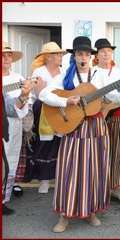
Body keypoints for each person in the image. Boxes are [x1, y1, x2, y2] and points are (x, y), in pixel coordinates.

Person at [38, 36, 120, 232]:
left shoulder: (100, 75)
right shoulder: (66, 75)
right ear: (75, 56)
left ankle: (91, 212)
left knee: (94, 170)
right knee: (69, 170)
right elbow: (44, 94)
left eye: (87, 54)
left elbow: (117, 98)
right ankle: (65, 216)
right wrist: (66, 101)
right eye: (80, 53)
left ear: (91, 56)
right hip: (74, 129)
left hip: (96, 127)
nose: (83, 57)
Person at [23, 42, 66, 194]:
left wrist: (46, 91)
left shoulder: (64, 72)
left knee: (58, 143)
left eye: (61, 54)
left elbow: (62, 92)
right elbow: (39, 93)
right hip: (42, 111)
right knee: (44, 144)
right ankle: (44, 180)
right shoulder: (38, 72)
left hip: (60, 109)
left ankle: (56, 177)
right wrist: (46, 92)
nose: (61, 57)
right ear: (48, 57)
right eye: (57, 54)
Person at [93, 38, 120, 202]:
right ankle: (99, 188)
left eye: (109, 50)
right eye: (102, 51)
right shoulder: (92, 72)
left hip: (116, 117)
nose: (106, 53)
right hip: (97, 117)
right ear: (97, 55)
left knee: (119, 152)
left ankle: (117, 188)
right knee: (98, 153)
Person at [2, 42, 32, 215]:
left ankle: (4, 199)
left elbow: (24, 101)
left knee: (11, 159)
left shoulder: (18, 78)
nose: (7, 58)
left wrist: (25, 94)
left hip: (14, 123)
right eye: (3, 55)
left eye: (9, 55)